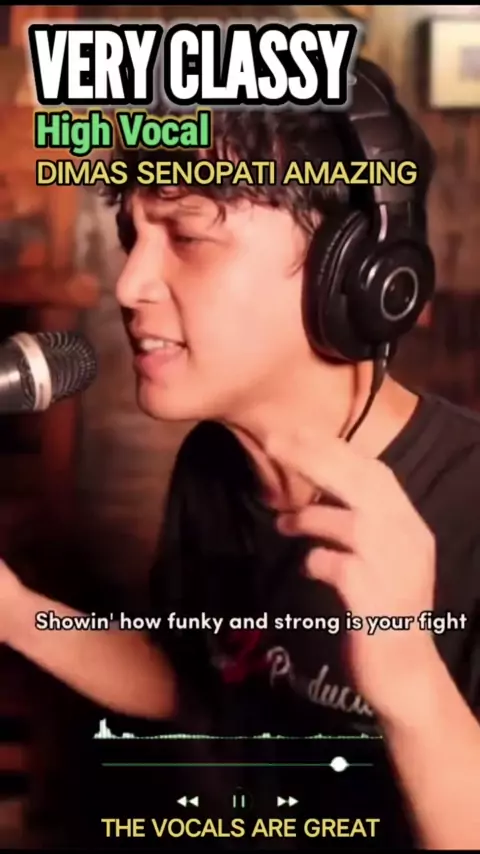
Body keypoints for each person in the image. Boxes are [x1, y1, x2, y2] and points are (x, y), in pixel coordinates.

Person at [1, 58, 480, 849]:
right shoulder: (213, 466)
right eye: (132, 236)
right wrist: (15, 611)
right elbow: (200, 684)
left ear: (355, 271)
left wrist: (410, 685)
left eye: (188, 235)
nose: (129, 284)